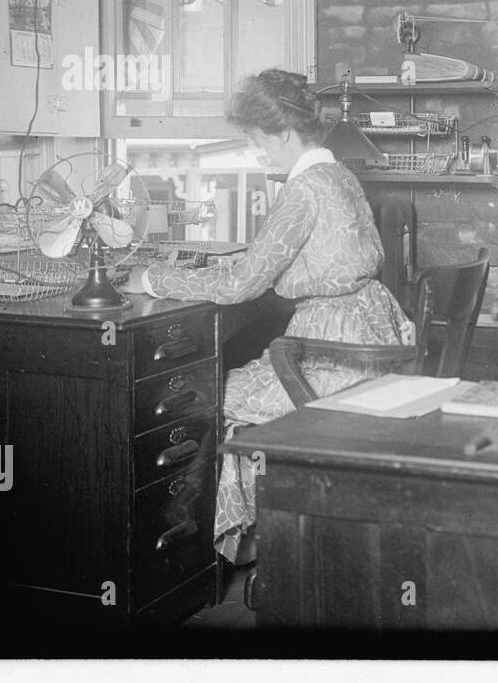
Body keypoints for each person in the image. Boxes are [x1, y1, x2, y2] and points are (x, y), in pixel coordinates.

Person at [121, 69, 413, 564]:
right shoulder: (338, 174)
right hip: (368, 344)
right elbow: (271, 260)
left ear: (284, 133)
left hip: (332, 360)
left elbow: (241, 285)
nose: (257, 152)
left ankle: (210, 552)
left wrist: (152, 279)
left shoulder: (301, 190)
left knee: (215, 394)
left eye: (257, 140)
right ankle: (258, 538)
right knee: (231, 376)